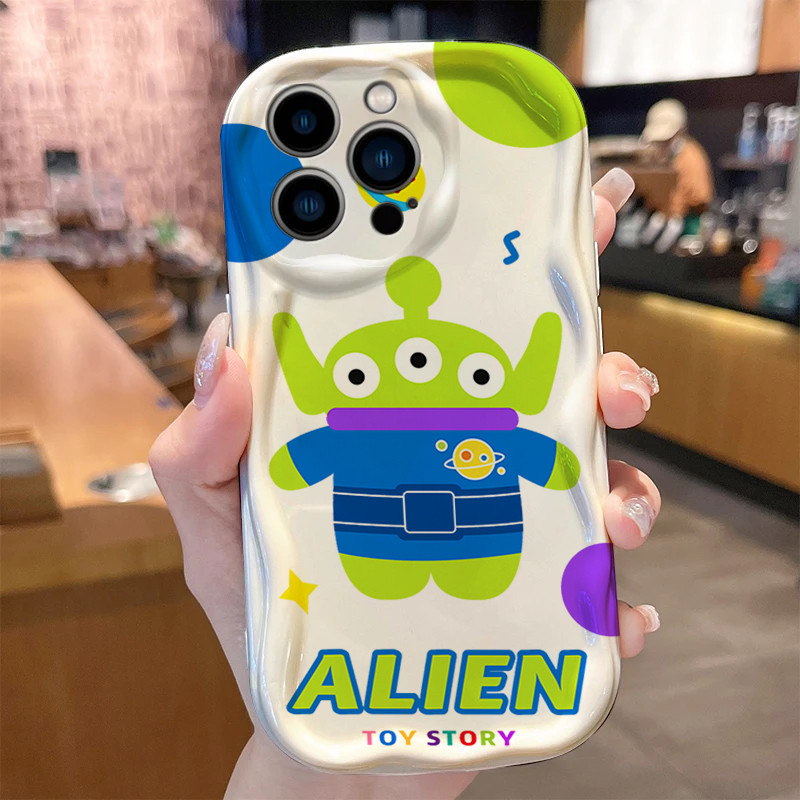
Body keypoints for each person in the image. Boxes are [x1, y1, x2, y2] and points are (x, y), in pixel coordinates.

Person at [150, 167, 662, 799]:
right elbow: (553, 465)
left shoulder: (423, 428)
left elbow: (293, 465)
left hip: (441, 545)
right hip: (411, 546)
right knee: (411, 578)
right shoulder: (380, 429)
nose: (419, 369)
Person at [640, 99, 715, 252]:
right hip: (662, 221)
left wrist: (675, 208)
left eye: (666, 140)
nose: (661, 146)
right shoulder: (657, 157)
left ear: (680, 131)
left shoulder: (691, 157)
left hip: (689, 225)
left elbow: (700, 196)